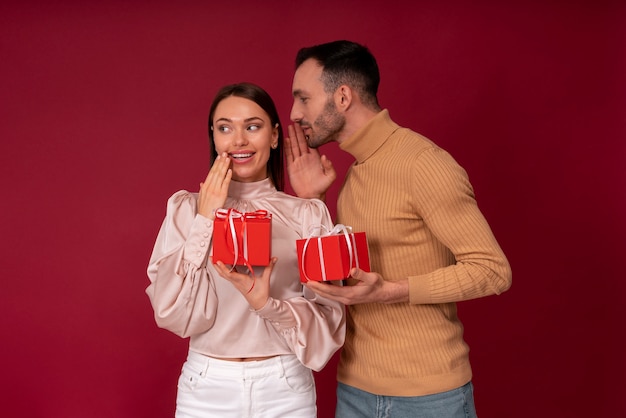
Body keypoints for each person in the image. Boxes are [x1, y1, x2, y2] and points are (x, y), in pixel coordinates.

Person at [285, 40, 512, 418]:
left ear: (342, 97)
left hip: (429, 397)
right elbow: (341, 280)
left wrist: (393, 291)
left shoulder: (423, 163)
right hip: (355, 391)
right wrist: (314, 200)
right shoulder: (355, 173)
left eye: (303, 98)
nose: (294, 113)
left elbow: (493, 271)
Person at [146, 82, 345, 418]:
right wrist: (205, 218)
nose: (238, 140)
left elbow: (330, 320)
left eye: (252, 126)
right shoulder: (185, 209)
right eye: (225, 128)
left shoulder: (307, 213)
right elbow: (170, 313)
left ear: (274, 136)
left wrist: (268, 306)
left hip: (285, 387)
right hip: (207, 386)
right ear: (214, 136)